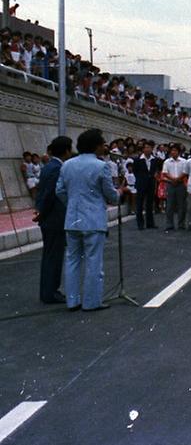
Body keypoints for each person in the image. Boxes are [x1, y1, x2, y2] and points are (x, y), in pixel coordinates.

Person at [56, 129, 126, 312]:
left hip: (72, 218)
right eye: (102, 144)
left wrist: (72, 204)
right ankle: (91, 301)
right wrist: (119, 193)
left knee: (72, 260)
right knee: (94, 261)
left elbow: (60, 191)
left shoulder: (67, 165)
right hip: (93, 219)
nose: (104, 147)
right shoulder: (100, 166)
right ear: (96, 145)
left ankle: (72, 300)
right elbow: (111, 195)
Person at [35, 136, 73, 304]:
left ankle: (47, 290)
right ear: (66, 150)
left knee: (50, 256)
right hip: (54, 218)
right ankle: (50, 292)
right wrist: (42, 213)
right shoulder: (57, 168)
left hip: (49, 218)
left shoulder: (49, 166)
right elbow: (51, 194)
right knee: (54, 257)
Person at [132, 140, 160, 230]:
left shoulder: (154, 160)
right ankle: (140, 223)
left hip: (151, 183)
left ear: (152, 149)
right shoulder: (137, 160)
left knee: (149, 204)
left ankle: (150, 223)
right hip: (141, 183)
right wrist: (140, 179)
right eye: (146, 147)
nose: (147, 149)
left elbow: (155, 170)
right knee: (139, 204)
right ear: (143, 149)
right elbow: (135, 171)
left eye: (149, 147)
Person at [161, 144, 187, 232]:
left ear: (179, 152)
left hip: (180, 184)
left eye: (175, 150)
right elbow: (165, 173)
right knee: (169, 205)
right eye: (172, 150)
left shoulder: (184, 161)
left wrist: (178, 179)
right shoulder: (167, 162)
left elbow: (185, 172)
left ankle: (181, 224)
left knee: (181, 205)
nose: (173, 152)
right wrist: (173, 179)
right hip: (170, 184)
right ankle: (169, 224)